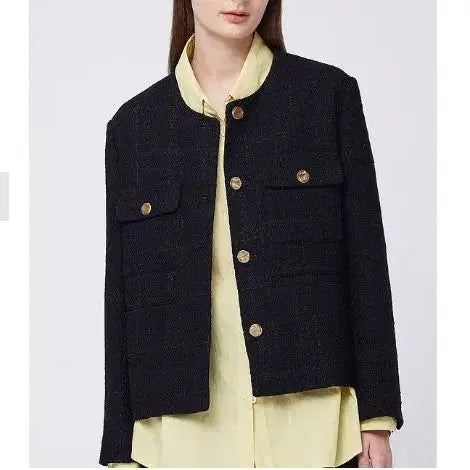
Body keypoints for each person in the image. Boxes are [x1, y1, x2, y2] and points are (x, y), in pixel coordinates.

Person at [99, 0, 404, 467]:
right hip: (183, 437)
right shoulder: (134, 127)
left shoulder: (326, 96)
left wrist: (376, 416)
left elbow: (366, 263)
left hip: (313, 423)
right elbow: (122, 299)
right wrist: (121, 452)